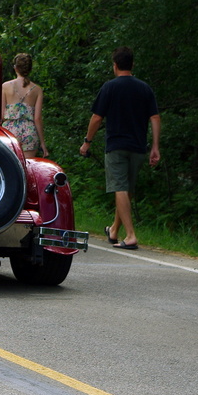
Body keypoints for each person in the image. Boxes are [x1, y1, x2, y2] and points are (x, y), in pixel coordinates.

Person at [79, 47, 161, 250]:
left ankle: (131, 235)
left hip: (116, 146)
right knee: (126, 189)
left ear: (114, 65)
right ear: (132, 65)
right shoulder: (144, 88)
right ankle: (114, 229)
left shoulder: (109, 87)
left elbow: (97, 117)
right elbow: (155, 117)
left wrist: (87, 141)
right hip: (138, 146)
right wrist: (155, 147)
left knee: (120, 188)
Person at [1, 53, 48, 159]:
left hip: (9, 131)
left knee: (9, 165)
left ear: (15, 68)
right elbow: (37, 118)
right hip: (29, 131)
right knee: (28, 167)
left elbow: (2, 115)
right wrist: (42, 143)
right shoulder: (37, 90)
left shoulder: (5, 86)